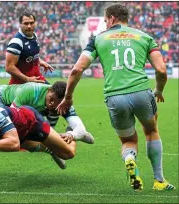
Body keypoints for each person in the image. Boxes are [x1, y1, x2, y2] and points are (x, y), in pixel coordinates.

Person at [57, 3, 175, 191]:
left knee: (128, 140)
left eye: (105, 20)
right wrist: (158, 90)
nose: (105, 24)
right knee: (151, 131)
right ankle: (159, 180)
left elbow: (77, 69)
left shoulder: (97, 39)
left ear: (111, 18)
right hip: (141, 93)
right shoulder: (144, 37)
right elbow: (161, 70)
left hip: (115, 97)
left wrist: (68, 96)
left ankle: (129, 158)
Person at [0, 92, 77, 165]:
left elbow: (15, 144)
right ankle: (53, 144)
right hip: (16, 135)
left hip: (31, 123)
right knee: (43, 147)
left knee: (68, 154)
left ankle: (70, 133)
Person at [5, 10, 54, 85]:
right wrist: (27, 79)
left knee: (56, 95)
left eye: (31, 23)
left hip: (36, 78)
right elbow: (9, 67)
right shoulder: (16, 42)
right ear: (20, 24)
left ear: (35, 23)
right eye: (26, 23)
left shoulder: (34, 35)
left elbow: (29, 55)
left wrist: (40, 61)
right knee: (53, 95)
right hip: (22, 84)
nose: (29, 26)